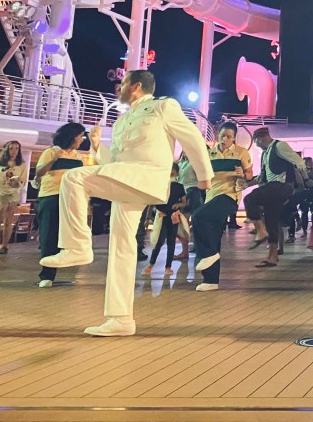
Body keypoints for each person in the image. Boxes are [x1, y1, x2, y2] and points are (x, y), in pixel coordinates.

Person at [40, 69, 212, 336]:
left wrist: (204, 176)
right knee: (121, 243)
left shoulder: (163, 106)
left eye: (122, 83)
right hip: (126, 178)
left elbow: (192, 137)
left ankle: (77, 247)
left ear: (136, 86)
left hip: (147, 176)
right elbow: (114, 164)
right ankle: (120, 318)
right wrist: (97, 147)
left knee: (73, 179)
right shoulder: (120, 122)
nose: (118, 87)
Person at [33, 123, 97, 287]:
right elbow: (39, 172)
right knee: (49, 235)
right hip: (51, 196)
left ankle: (66, 269)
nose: (82, 139)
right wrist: (54, 158)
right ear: (72, 136)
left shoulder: (78, 157)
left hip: (71, 198)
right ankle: (46, 275)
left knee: (70, 234)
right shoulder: (51, 151)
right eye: (80, 135)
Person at [191, 121, 253, 291]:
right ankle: (210, 280)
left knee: (197, 216)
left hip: (229, 196)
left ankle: (205, 255)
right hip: (211, 196)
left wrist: (243, 174)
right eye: (223, 135)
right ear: (218, 134)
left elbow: (250, 175)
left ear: (234, 138)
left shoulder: (241, 152)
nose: (225, 139)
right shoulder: (209, 154)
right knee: (212, 236)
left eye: (229, 136)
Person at [246, 127, 302, 268]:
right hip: (272, 188)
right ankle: (272, 256)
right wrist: (245, 183)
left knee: (249, 199)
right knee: (272, 220)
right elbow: (262, 177)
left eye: (256, 142)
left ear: (260, 139)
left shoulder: (279, 146)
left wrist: (304, 180)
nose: (257, 145)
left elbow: (298, 161)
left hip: (282, 186)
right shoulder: (265, 154)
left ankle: (260, 230)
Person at [142, 164, 186, 277]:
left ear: (177, 173)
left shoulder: (179, 186)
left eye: (173, 172)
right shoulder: (160, 184)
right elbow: (152, 202)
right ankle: (151, 265)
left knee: (171, 242)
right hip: (161, 216)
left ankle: (168, 266)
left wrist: (179, 205)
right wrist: (148, 218)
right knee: (159, 241)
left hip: (173, 217)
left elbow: (185, 202)